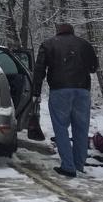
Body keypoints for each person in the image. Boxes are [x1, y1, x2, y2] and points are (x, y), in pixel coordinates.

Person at [32, 23, 99, 178]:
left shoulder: (48, 44)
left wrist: (36, 91)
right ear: (72, 31)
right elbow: (93, 67)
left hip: (60, 90)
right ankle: (79, 164)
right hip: (82, 90)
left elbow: (39, 69)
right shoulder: (84, 44)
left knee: (61, 127)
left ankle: (68, 166)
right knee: (81, 128)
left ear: (58, 32)